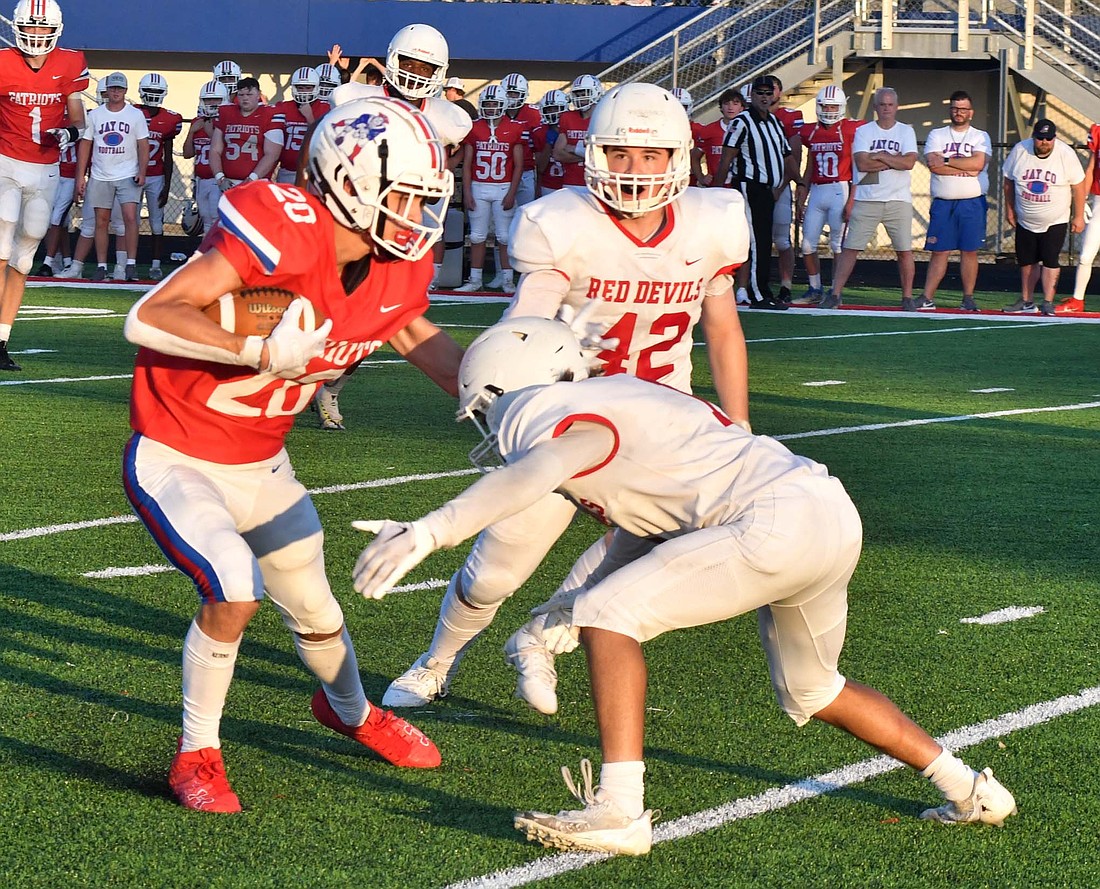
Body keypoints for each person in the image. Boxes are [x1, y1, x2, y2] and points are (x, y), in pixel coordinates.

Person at [353, 316, 1019, 856]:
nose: (487, 424)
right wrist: (560, 613)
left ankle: (619, 807)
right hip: (825, 511)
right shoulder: (624, 400)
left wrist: (430, 530)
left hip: (773, 518)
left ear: (510, 386)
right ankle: (967, 786)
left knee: (610, 613)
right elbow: (652, 530)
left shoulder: (548, 405)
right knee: (815, 687)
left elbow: (536, 471)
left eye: (485, 407)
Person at [121, 97, 464, 813]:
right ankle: (197, 752)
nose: (416, 214)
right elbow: (150, 314)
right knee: (233, 587)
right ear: (348, 178)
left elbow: (416, 339)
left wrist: (515, 397)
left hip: (263, 463)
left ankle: (349, 711)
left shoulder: (393, 269)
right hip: (178, 450)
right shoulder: (282, 228)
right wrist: (256, 347)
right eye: (403, 195)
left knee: (316, 608)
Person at [381, 83, 751, 716]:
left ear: (680, 157)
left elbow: (721, 326)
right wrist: (514, 392)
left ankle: (542, 636)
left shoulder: (711, 223)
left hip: (664, 423)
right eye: (620, 154)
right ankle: (437, 661)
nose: (634, 171)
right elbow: (527, 322)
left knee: (649, 560)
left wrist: (737, 420)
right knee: (497, 568)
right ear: (593, 152)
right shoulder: (562, 224)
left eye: (650, 156)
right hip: (573, 418)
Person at [318, 23, 472, 430]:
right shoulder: (353, 97)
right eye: (410, 63)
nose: (417, 75)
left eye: (426, 68)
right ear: (391, 60)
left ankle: (332, 386)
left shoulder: (451, 119)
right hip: (351, 214)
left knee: (377, 318)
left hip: (402, 219)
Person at [0, 0, 88, 371]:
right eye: (30, 29)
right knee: (0, 247)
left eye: (42, 29)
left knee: (24, 255)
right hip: (6, 160)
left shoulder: (70, 62)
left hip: (46, 168)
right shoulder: (4, 62)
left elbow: (78, 111)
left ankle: (2, 340)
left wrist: (70, 130)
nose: (36, 36)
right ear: (19, 28)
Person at [824, 87, 918, 310]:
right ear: (875, 107)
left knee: (904, 250)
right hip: (867, 199)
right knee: (851, 248)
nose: (886, 109)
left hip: (898, 200)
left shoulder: (906, 131)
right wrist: (892, 159)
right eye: (882, 105)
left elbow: (909, 163)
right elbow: (862, 163)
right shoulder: (864, 131)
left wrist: (880, 156)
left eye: (890, 105)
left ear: (896, 107)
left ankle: (907, 297)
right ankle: (835, 293)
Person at [713, 75, 792, 310]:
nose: (765, 98)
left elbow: (786, 155)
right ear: (752, 95)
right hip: (749, 186)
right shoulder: (742, 122)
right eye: (760, 93)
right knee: (757, 241)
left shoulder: (775, 123)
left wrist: (792, 183)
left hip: (769, 189)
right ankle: (757, 295)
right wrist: (717, 191)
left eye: (769, 94)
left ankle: (762, 291)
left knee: (765, 240)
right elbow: (727, 158)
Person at [1001, 119, 1086, 315]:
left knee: (1050, 260)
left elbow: (1079, 186)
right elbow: (1008, 181)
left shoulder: (1065, 154)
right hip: (1026, 218)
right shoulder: (1021, 151)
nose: (1044, 142)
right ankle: (1026, 300)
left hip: (1055, 219)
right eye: (1040, 138)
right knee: (1026, 261)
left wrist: (1079, 216)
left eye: (1049, 138)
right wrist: (1010, 209)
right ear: (1034, 137)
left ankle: (1048, 301)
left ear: (1054, 138)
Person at [917, 91, 992, 312]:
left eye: (963, 109)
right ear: (950, 110)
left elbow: (978, 164)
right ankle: (927, 297)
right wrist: (964, 166)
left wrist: (948, 160)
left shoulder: (980, 136)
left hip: (972, 202)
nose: (959, 113)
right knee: (940, 251)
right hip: (944, 202)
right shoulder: (937, 134)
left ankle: (968, 297)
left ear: (971, 112)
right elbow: (933, 164)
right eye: (955, 108)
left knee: (969, 251)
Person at [70, 72, 149, 282]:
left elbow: (143, 144)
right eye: (112, 88)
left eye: (119, 89)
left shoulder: (135, 115)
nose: (115, 92)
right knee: (101, 221)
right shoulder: (95, 115)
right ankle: (102, 265)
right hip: (100, 173)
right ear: (106, 91)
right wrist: (81, 177)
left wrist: (142, 171)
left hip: (127, 172)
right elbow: (85, 144)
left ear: (125, 91)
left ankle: (130, 265)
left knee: (130, 218)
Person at [791, 85, 865, 305]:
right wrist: (802, 193)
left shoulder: (851, 129)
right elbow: (811, 162)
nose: (830, 110)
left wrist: (853, 198)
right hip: (817, 189)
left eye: (834, 106)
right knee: (807, 245)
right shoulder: (810, 131)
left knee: (837, 245)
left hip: (839, 189)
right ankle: (814, 288)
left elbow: (857, 168)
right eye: (826, 105)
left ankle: (835, 290)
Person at [454, 85, 524, 294]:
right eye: (487, 104)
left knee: (504, 236)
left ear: (503, 105)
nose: (491, 108)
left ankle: (507, 281)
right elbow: (467, 163)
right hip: (479, 186)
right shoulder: (475, 128)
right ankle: (475, 280)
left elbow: (519, 165)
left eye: (495, 104)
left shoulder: (514, 128)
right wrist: (467, 192)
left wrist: (512, 192)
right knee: (477, 236)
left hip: (503, 187)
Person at [136, 73, 185, 281]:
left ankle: (155, 265)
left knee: (157, 223)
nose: (153, 94)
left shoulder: (170, 119)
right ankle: (129, 262)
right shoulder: (132, 113)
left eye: (157, 91)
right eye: (150, 90)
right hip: (133, 175)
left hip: (156, 176)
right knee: (130, 221)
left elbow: (167, 155)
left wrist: (166, 185)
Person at [767, 75, 805, 304]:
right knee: (751, 240)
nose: (767, 95)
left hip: (779, 184)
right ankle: (751, 285)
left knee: (781, 241)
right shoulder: (748, 117)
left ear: (779, 92)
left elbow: (796, 154)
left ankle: (786, 285)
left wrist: (783, 185)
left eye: (771, 90)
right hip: (756, 185)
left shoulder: (790, 117)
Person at [210, 76, 283, 192]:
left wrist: (251, 179)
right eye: (241, 95)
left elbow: (272, 155)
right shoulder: (226, 113)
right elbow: (215, 149)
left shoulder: (270, 114)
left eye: (249, 95)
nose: (245, 98)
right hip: (228, 182)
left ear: (258, 95)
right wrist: (220, 178)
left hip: (257, 182)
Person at [182, 80, 230, 237]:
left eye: (216, 99)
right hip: (201, 180)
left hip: (217, 179)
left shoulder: (226, 121)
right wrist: (191, 132)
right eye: (208, 99)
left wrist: (211, 133)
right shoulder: (197, 122)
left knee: (217, 218)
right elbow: (187, 153)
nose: (211, 103)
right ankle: (206, 254)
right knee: (205, 219)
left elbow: (226, 151)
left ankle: (215, 254)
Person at [1062, 118, 1100, 314]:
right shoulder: (1098, 131)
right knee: (1085, 256)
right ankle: (1077, 300)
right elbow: (1091, 169)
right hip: (1099, 203)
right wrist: (1083, 199)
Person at [272, 67, 330, 184]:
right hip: (287, 171)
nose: (304, 91)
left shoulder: (326, 108)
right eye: (300, 87)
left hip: (315, 172)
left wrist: (309, 117)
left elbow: (324, 139)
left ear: (316, 87)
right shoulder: (283, 107)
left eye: (308, 88)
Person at [553, 74, 604, 189]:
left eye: (585, 94)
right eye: (578, 94)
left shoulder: (602, 118)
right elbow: (557, 154)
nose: (581, 98)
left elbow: (603, 155)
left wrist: (574, 149)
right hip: (571, 182)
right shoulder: (567, 117)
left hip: (596, 183)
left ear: (595, 92)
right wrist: (586, 156)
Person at [535, 89, 569, 194]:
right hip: (548, 185)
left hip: (570, 183)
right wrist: (549, 143)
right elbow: (540, 168)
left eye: (556, 108)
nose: (552, 113)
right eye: (549, 109)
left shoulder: (572, 128)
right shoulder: (539, 132)